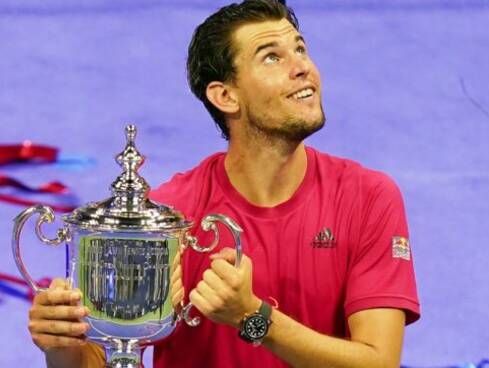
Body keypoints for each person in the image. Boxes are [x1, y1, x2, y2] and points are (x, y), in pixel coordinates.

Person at [26, 1, 420, 366]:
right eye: (272, 57)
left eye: (300, 49)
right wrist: (65, 346)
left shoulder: (368, 197)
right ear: (226, 96)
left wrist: (252, 317)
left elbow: (379, 361)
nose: (302, 67)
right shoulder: (168, 220)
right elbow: (106, 358)